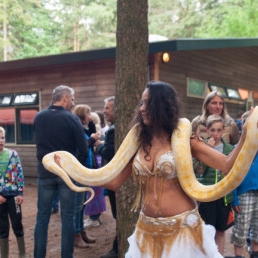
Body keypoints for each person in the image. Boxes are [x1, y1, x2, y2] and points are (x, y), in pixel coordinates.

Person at [53, 81, 250, 257]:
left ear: (162, 106)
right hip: (146, 231)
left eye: (147, 103)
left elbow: (226, 164)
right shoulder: (138, 140)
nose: (142, 108)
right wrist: (73, 169)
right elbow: (114, 182)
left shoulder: (183, 137)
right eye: (142, 103)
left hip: (182, 231)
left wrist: (246, 135)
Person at [33, 85, 88, 258]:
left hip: (45, 174)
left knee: (42, 217)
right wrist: (73, 168)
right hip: (67, 177)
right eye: (72, 99)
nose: (73, 102)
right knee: (68, 217)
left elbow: (40, 147)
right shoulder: (72, 119)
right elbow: (84, 150)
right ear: (64, 98)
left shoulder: (39, 117)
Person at [194, 114, 234, 255]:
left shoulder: (229, 149)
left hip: (224, 197)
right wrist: (207, 151)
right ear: (207, 130)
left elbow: (234, 172)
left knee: (220, 230)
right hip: (207, 196)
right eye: (212, 130)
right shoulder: (200, 146)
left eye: (219, 130)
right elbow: (198, 171)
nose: (215, 134)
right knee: (207, 230)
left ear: (223, 130)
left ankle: (219, 255)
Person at [225, 111, 258, 258]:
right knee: (241, 228)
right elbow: (232, 177)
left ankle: (254, 253)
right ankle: (238, 255)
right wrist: (235, 199)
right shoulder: (237, 150)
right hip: (244, 193)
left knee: (257, 229)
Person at [72, 105, 99, 248]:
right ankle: (76, 234)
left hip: (85, 170)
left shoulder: (84, 129)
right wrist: (92, 140)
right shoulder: (77, 131)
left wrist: (92, 132)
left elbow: (90, 137)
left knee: (82, 204)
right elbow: (80, 149)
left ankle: (81, 231)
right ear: (82, 115)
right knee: (78, 205)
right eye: (88, 114)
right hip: (79, 171)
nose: (90, 117)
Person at [95, 96, 117, 258]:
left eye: (107, 108)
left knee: (118, 214)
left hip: (116, 179)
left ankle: (117, 249)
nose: (104, 111)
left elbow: (109, 152)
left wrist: (98, 147)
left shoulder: (114, 130)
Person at [0, 126, 27, 258]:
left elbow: (20, 174)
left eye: (2, 137)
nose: (1, 140)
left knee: (17, 223)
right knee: (2, 226)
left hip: (14, 195)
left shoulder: (13, 154)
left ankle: (22, 253)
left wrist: (20, 193)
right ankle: (4, 254)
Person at [84, 112, 106, 228]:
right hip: (98, 163)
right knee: (97, 192)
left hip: (94, 163)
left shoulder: (94, 132)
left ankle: (94, 217)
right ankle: (95, 216)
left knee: (94, 192)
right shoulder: (97, 129)